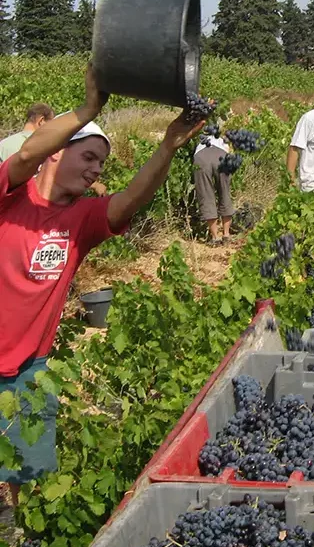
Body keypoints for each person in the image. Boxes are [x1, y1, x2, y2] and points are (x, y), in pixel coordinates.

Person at [0, 65, 205, 506]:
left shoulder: (82, 219)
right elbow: (23, 156)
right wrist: (88, 108)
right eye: (87, 157)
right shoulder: (9, 197)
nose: (95, 170)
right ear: (56, 152)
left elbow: (131, 197)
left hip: (30, 371)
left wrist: (169, 145)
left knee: (24, 486)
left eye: (101, 163)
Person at [193, 130, 234, 246]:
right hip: (222, 154)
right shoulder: (222, 138)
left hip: (201, 155)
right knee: (225, 192)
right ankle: (226, 235)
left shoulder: (198, 137)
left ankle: (215, 237)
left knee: (206, 194)